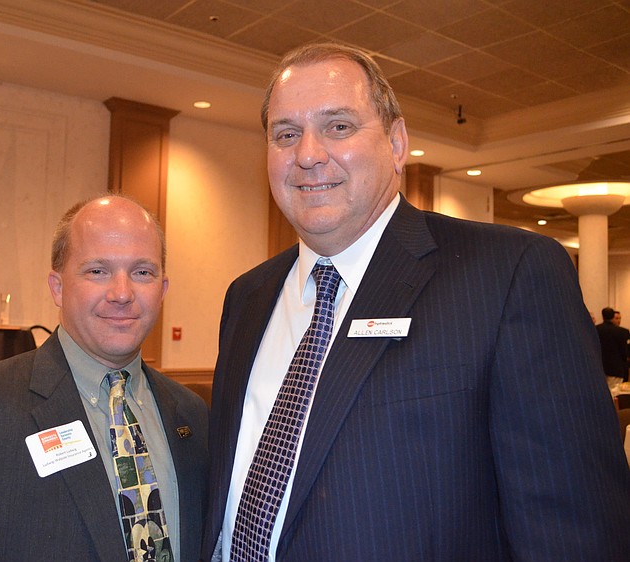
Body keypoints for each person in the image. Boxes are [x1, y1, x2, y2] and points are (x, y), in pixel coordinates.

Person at [203, 42, 630, 561]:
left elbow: (573, 529)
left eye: (338, 126)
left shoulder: (508, 275)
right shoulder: (246, 297)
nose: (308, 154)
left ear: (397, 142)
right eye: (286, 134)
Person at [0, 195, 208, 561]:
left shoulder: (193, 416)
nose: (121, 293)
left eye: (142, 272)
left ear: (162, 289)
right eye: (97, 270)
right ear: (57, 286)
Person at [597, 306, 630, 386]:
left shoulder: (596, 330)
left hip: (599, 368)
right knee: (614, 393)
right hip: (616, 368)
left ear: (603, 316)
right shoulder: (623, 332)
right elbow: (625, 352)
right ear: (613, 316)